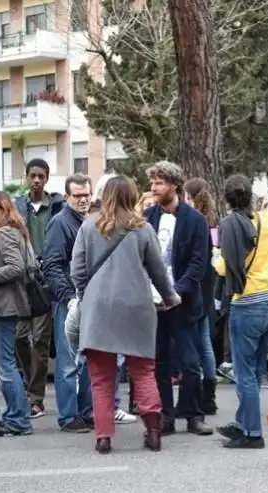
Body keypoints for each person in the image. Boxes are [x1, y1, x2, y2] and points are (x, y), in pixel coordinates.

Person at [71, 175, 180, 454]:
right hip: (137, 306)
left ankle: (104, 437)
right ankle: (154, 432)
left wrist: (88, 297)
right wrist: (170, 298)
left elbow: (77, 272)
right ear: (132, 197)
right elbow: (158, 271)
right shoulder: (142, 229)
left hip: (99, 308)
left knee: (101, 377)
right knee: (144, 371)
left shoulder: (88, 227)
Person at [145, 162, 213, 436]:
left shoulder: (195, 220)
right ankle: (166, 415)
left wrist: (176, 293)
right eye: (152, 183)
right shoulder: (148, 218)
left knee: (189, 361)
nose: (153, 188)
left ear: (173, 185)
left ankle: (193, 414)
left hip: (183, 301)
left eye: (159, 183)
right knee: (160, 360)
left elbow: (199, 263)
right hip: (153, 301)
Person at [214, 175, 268, 449]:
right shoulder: (264, 220)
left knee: (244, 373)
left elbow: (224, 268)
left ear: (228, 200)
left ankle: (252, 432)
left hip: (247, 302)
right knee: (255, 369)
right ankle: (244, 421)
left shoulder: (232, 226)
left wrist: (215, 256)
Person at [43, 173, 97, 433]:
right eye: (78, 195)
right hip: (70, 301)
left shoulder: (89, 221)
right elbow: (52, 266)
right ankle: (67, 416)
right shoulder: (60, 223)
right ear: (67, 197)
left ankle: (86, 411)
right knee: (68, 361)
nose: (83, 199)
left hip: (88, 299)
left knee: (87, 359)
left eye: (87, 194)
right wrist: (69, 298)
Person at [14, 159, 64, 418]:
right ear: (26, 177)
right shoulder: (17, 206)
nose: (36, 180)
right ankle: (28, 381)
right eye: (32, 175)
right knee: (20, 337)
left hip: (46, 279)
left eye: (41, 176)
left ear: (46, 179)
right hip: (22, 278)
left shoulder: (56, 206)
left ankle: (36, 397)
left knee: (40, 341)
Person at [0, 191, 33, 436]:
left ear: (4, 209)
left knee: (5, 365)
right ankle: (16, 415)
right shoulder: (4, 231)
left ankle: (19, 418)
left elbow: (16, 267)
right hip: (4, 304)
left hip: (5, 305)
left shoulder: (5, 232)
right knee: (5, 363)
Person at [183, 177, 219, 415]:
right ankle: (209, 393)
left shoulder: (194, 225)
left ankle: (202, 395)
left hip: (198, 289)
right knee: (205, 344)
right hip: (208, 287)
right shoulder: (213, 224)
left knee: (200, 344)